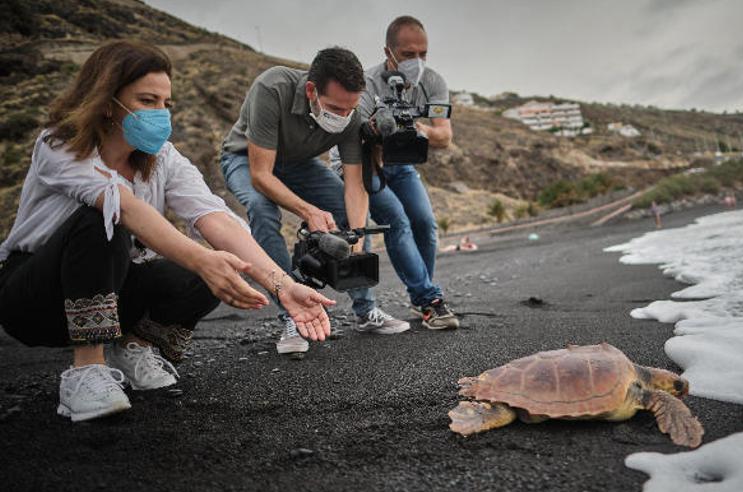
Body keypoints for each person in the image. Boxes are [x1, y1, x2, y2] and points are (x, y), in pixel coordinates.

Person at [0, 41, 335, 422]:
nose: (161, 114)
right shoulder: (60, 143)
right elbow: (125, 207)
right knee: (106, 218)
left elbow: (215, 217)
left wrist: (281, 284)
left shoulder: (164, 159)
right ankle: (85, 372)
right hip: (32, 297)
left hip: (112, 285)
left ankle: (133, 347)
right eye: (147, 101)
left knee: (214, 266)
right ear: (107, 101)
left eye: (166, 104)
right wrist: (204, 259)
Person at [220, 47, 410, 355]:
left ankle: (366, 311)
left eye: (350, 109)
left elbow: (354, 187)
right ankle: (291, 317)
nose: (344, 117)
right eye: (335, 108)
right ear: (311, 90)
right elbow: (261, 176)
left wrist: (357, 235)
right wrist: (307, 210)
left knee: (351, 217)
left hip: (299, 163)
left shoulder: (351, 115)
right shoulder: (273, 87)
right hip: (246, 159)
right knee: (261, 209)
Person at [351, 15, 460, 330]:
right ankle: (429, 300)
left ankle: (420, 294)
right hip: (362, 162)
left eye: (423, 53)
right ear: (389, 52)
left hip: (402, 162)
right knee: (396, 221)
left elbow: (445, 137)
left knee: (425, 224)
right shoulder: (367, 83)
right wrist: (378, 133)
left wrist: (414, 127)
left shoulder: (433, 82)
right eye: (409, 54)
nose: (417, 61)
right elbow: (351, 137)